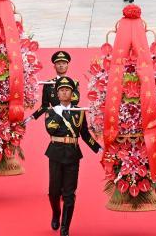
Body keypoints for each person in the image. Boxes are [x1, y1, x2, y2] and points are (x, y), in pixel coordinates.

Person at [44, 76, 100, 236]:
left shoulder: (79, 112)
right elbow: (50, 130)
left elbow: (85, 135)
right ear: (58, 93)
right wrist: (58, 113)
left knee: (69, 193)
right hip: (55, 152)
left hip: (73, 154)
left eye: (67, 90)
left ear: (72, 93)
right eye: (61, 90)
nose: (64, 92)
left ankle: (65, 228)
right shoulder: (52, 111)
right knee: (54, 192)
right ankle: (56, 213)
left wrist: (99, 149)